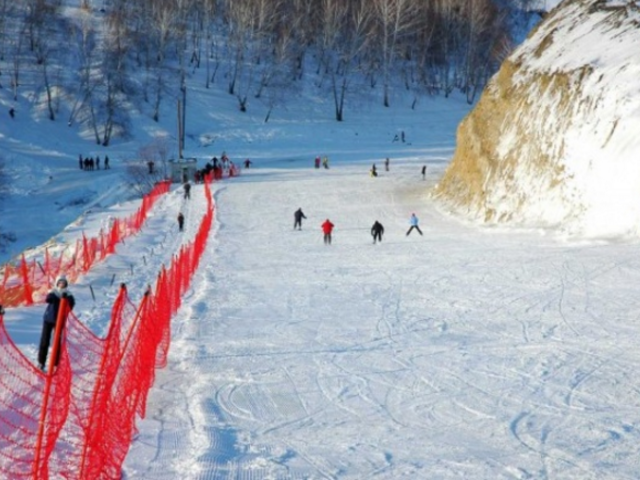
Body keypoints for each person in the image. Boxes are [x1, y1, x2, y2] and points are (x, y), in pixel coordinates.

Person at [38, 275, 75, 371]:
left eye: (64, 283)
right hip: (48, 319)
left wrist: (65, 300)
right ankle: (41, 362)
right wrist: (58, 299)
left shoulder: (68, 294)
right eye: (60, 282)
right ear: (57, 283)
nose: (62, 284)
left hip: (60, 321)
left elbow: (71, 305)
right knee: (45, 340)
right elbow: (48, 299)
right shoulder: (53, 292)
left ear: (66, 284)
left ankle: (55, 364)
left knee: (57, 342)